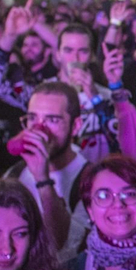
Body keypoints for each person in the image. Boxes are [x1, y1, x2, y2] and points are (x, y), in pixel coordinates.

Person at [5, 81, 89, 256]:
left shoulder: (89, 179)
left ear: (75, 126)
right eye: (33, 118)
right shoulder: (15, 174)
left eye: (52, 120)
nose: (39, 128)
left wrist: (43, 179)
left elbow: (65, 247)